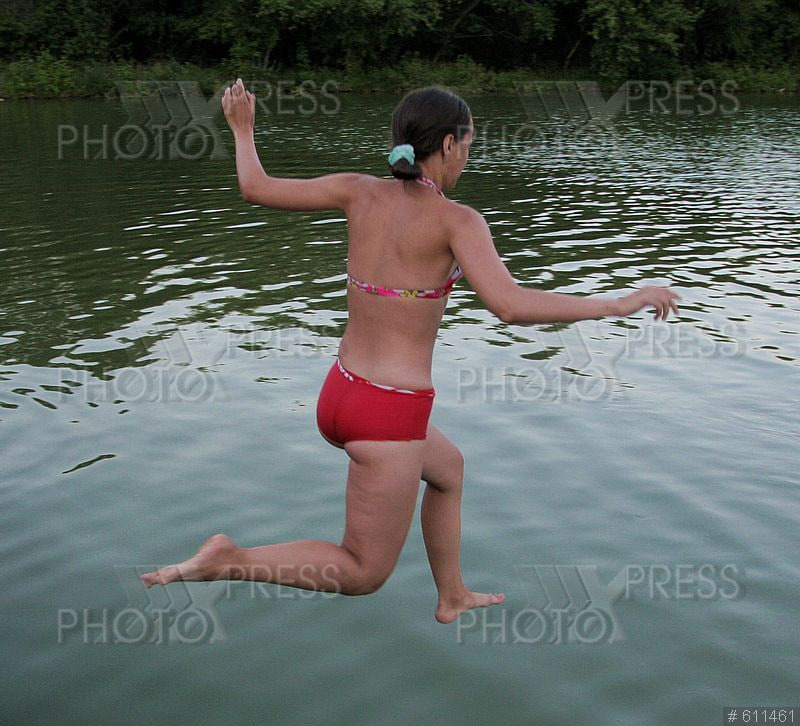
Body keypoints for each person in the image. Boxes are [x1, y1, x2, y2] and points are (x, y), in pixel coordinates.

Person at [140, 79, 681, 623]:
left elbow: (256, 188)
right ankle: (230, 561)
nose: (467, 157)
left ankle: (452, 594)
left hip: (341, 392)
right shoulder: (457, 221)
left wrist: (243, 129)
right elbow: (510, 305)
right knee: (363, 571)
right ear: (447, 144)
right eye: (468, 145)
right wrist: (617, 304)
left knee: (448, 470)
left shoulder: (358, 190)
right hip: (388, 412)